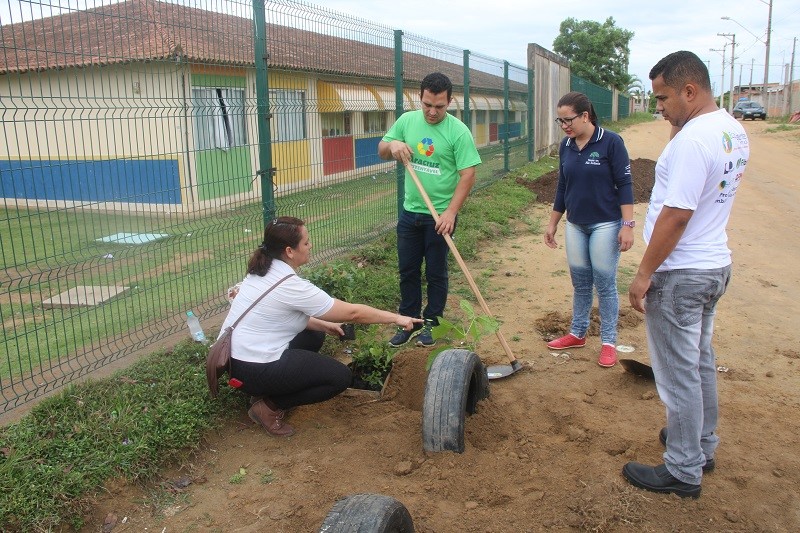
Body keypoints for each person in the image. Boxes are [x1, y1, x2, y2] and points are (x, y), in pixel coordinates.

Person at [623, 51, 749, 498]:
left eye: (663, 98)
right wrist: (677, 125)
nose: (659, 108)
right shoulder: (730, 129)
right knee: (698, 362)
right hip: (714, 265)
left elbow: (676, 215)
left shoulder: (695, 141)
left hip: (680, 275)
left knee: (678, 375)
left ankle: (682, 469)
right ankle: (701, 445)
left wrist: (643, 273)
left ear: (689, 91)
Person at [220, 216, 422, 437]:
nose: (310, 246)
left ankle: (262, 389)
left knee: (314, 334)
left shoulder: (262, 270)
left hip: (234, 361)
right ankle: (268, 406)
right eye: (306, 243)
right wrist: (396, 318)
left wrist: (325, 325)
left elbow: (278, 315)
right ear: (289, 251)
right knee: (339, 377)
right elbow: (353, 313)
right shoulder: (290, 285)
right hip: (253, 369)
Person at [378, 72, 482, 348]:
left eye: (439, 106)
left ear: (450, 102)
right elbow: (381, 150)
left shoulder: (458, 131)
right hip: (410, 212)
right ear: (419, 97)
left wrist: (450, 213)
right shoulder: (406, 121)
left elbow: (468, 174)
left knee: (436, 272)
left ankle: (432, 324)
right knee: (407, 270)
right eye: (427, 105)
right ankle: (409, 322)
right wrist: (393, 144)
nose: (432, 112)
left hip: (439, 216)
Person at [544, 91, 634, 368]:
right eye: (560, 121)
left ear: (585, 116)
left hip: (605, 224)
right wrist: (553, 222)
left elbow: (625, 185)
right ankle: (577, 333)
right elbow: (563, 186)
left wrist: (627, 225)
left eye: (568, 120)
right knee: (581, 283)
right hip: (576, 224)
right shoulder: (566, 146)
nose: (565, 126)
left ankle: (608, 342)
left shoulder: (611, 142)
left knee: (605, 284)